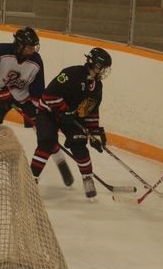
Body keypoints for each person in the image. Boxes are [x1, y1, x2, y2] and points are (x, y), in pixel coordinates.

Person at [0, 27, 74, 186]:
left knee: (44, 134)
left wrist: (38, 113)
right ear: (19, 45)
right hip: (1, 94)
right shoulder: (1, 50)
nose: (32, 50)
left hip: (26, 100)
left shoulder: (36, 61)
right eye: (29, 47)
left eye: (34, 46)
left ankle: (61, 162)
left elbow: (38, 91)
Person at [31, 47, 113, 200]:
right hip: (48, 113)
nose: (103, 71)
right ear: (93, 64)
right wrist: (63, 110)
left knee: (79, 143)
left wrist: (94, 131)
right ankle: (31, 180)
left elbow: (90, 110)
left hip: (71, 118)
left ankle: (88, 178)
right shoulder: (71, 73)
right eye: (102, 67)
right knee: (47, 142)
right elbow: (48, 95)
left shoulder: (97, 86)